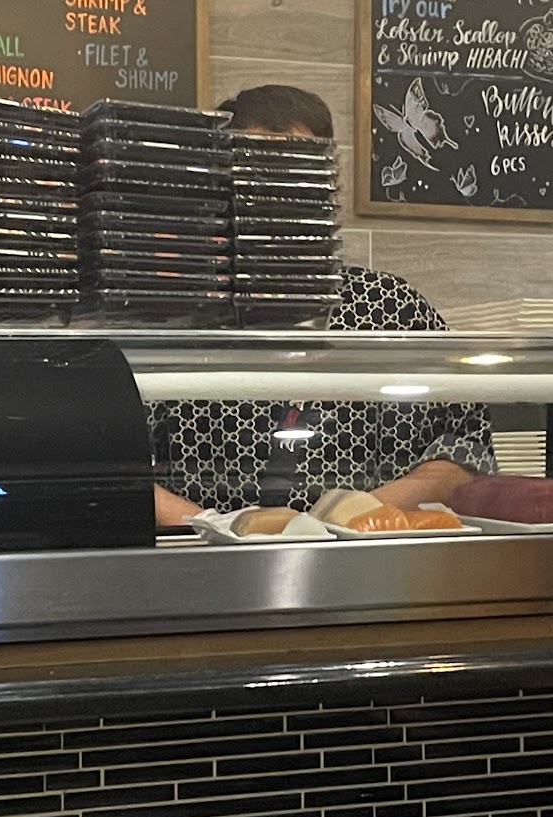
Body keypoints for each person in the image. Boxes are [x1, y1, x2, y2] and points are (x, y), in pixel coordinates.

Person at [151, 85, 496, 520]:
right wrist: (212, 527)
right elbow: (106, 465)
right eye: (257, 175)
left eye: (297, 174)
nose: (277, 198)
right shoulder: (182, 317)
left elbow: (464, 452)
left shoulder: (392, 308)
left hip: (366, 551)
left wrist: (347, 517)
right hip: (199, 553)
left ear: (330, 186)